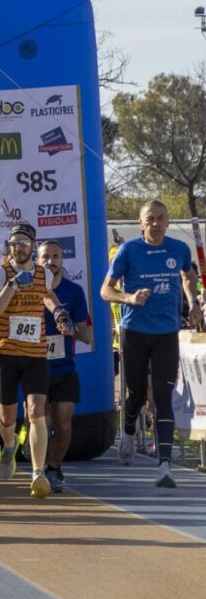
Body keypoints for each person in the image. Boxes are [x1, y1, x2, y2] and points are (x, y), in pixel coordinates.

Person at [102, 200, 202, 487]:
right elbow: (105, 290)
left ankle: (165, 466)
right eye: (150, 219)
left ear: (168, 221)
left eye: (160, 218)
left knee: (162, 396)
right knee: (136, 396)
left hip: (167, 332)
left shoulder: (179, 249)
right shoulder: (128, 250)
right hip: (134, 331)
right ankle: (129, 430)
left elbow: (188, 276)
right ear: (141, 223)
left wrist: (193, 301)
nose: (156, 223)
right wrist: (129, 298)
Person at [0, 222, 63, 497]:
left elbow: (48, 296)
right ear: (8, 247)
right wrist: (12, 286)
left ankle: (37, 472)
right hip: (6, 352)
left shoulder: (43, 274)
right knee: (7, 416)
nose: (18, 248)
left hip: (35, 353)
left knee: (36, 410)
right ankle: (9, 446)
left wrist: (58, 312)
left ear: (33, 247)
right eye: (14, 244)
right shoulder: (0, 273)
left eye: (24, 244)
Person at [37, 240, 94, 492]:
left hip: (64, 368)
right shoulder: (28, 290)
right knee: (42, 422)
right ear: (38, 261)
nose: (51, 261)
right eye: (45, 257)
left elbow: (87, 336)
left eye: (55, 256)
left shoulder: (74, 292)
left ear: (62, 260)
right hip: (35, 367)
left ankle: (53, 467)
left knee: (63, 424)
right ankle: (37, 466)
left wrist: (71, 330)